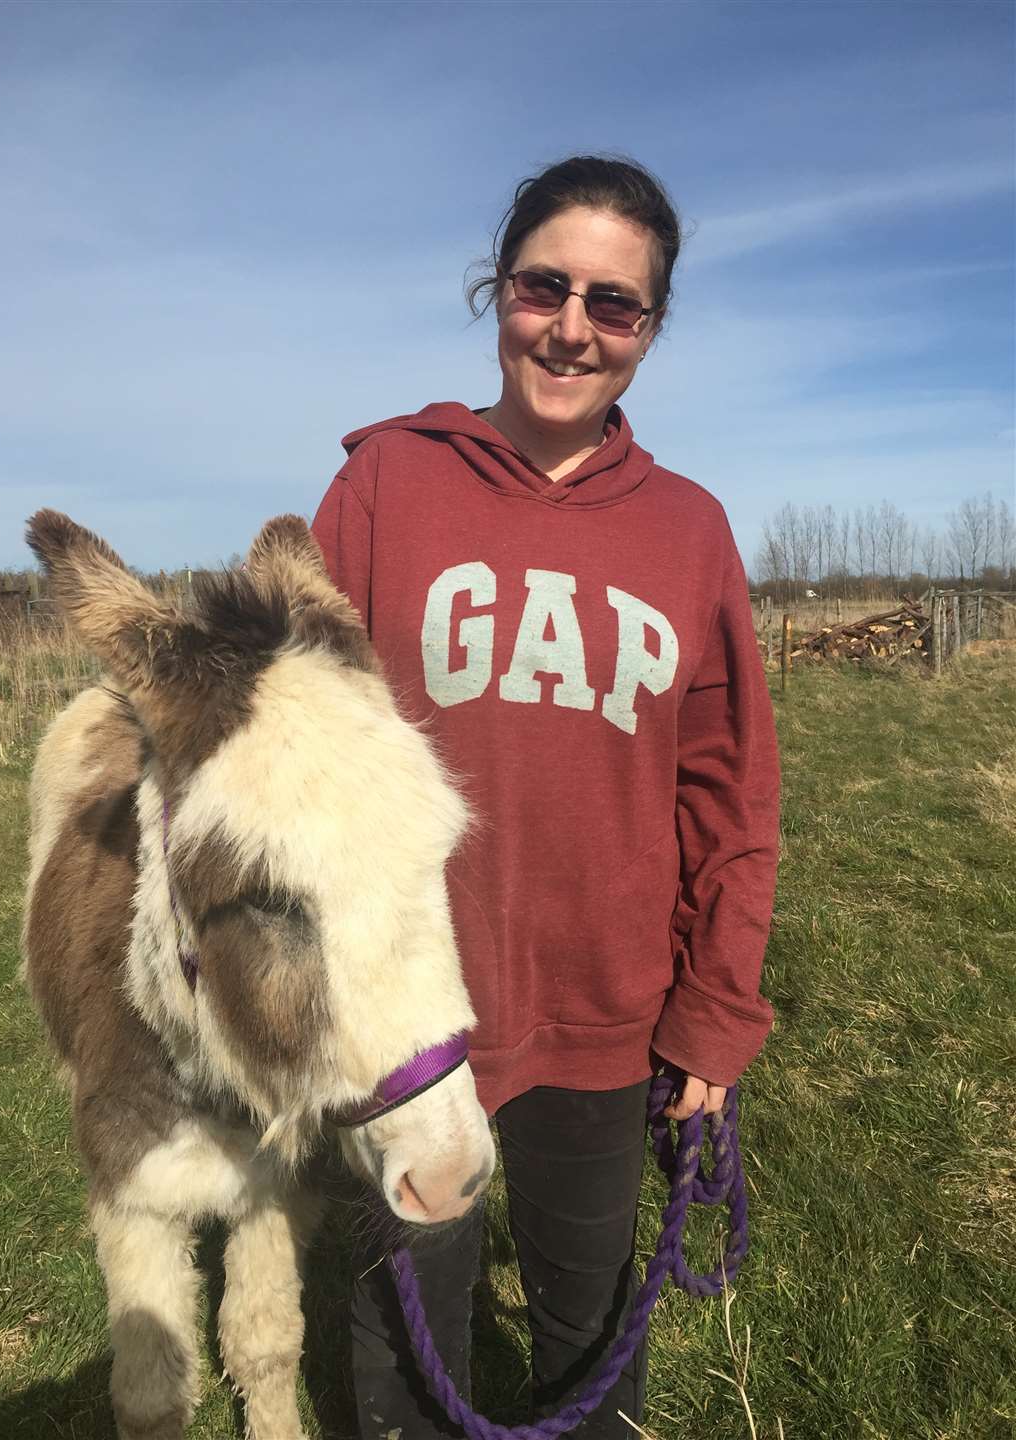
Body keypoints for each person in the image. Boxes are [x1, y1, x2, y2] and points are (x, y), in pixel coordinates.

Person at [311, 154, 780, 1440]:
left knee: (587, 1317)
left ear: (649, 329)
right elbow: (297, 741)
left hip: (605, 1009)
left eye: (615, 304)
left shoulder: (688, 532)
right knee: (409, 1326)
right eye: (544, 286)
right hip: (413, 1016)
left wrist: (714, 1012)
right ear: (498, 291)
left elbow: (732, 796)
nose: (573, 325)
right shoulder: (386, 487)